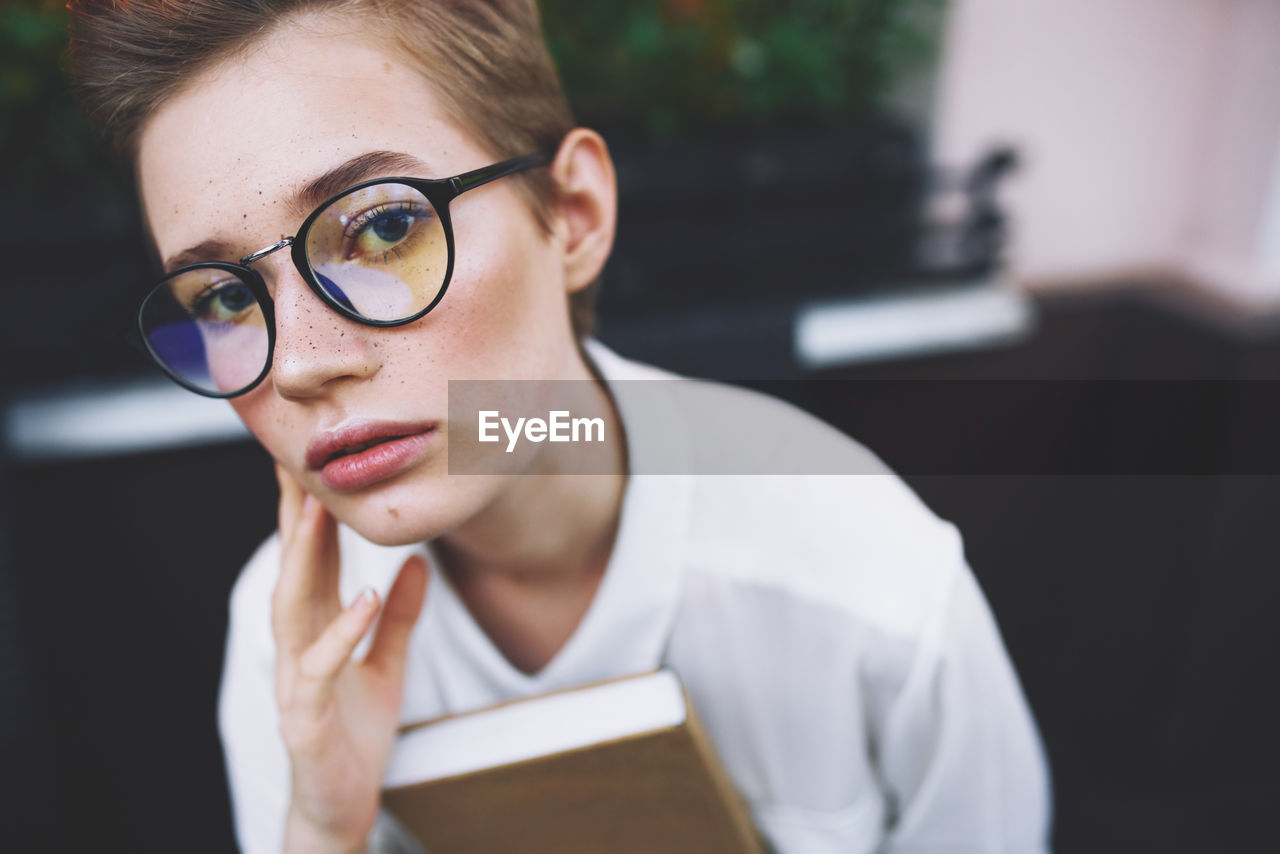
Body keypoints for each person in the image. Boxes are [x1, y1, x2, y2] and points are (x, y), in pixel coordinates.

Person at [68, 1, 1052, 851]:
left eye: (380, 228)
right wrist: (327, 825)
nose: (300, 363)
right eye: (224, 298)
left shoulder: (866, 589)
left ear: (572, 212)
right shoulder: (294, 639)